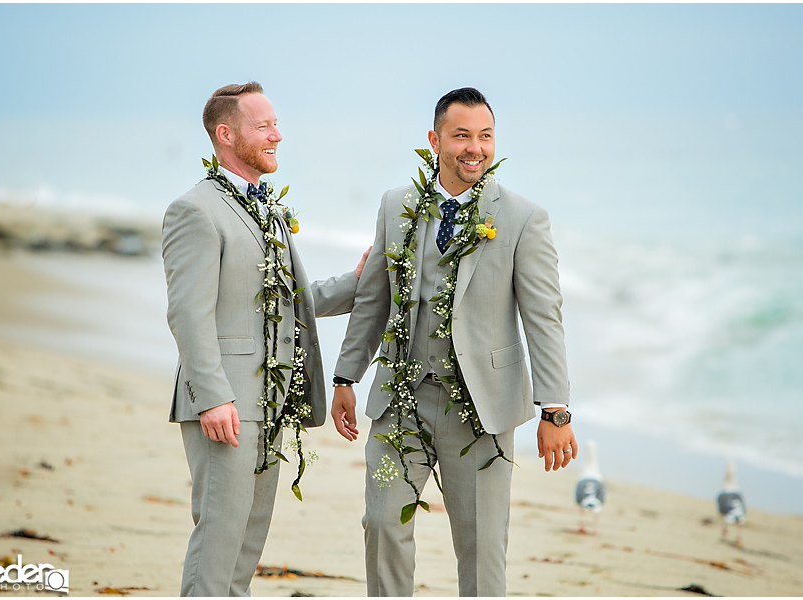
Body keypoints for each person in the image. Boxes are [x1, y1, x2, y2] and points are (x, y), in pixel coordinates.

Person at [330, 87, 577, 597]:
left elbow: (543, 317)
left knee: (482, 550)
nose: (475, 148)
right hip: (400, 403)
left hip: (481, 413)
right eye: (461, 135)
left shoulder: (522, 218)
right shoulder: (396, 205)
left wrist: (556, 410)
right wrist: (345, 376)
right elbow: (374, 297)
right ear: (435, 139)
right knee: (381, 524)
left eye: (485, 136)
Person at [162, 81, 365, 596]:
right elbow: (188, 313)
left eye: (275, 123)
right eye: (264, 125)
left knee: (246, 550)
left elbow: (291, 299)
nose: (278, 134)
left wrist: (361, 282)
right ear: (226, 135)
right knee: (218, 544)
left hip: (270, 404)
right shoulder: (196, 210)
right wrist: (213, 398)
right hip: (225, 406)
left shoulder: (265, 209)